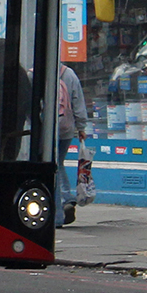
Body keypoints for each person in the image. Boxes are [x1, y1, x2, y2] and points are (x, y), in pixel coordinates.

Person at [56, 62, 88, 227]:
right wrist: (81, 127)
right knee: (58, 162)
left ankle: (65, 198)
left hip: (46, 129)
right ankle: (65, 200)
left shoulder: (33, 74)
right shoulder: (69, 74)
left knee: (54, 164)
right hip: (66, 128)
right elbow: (78, 102)